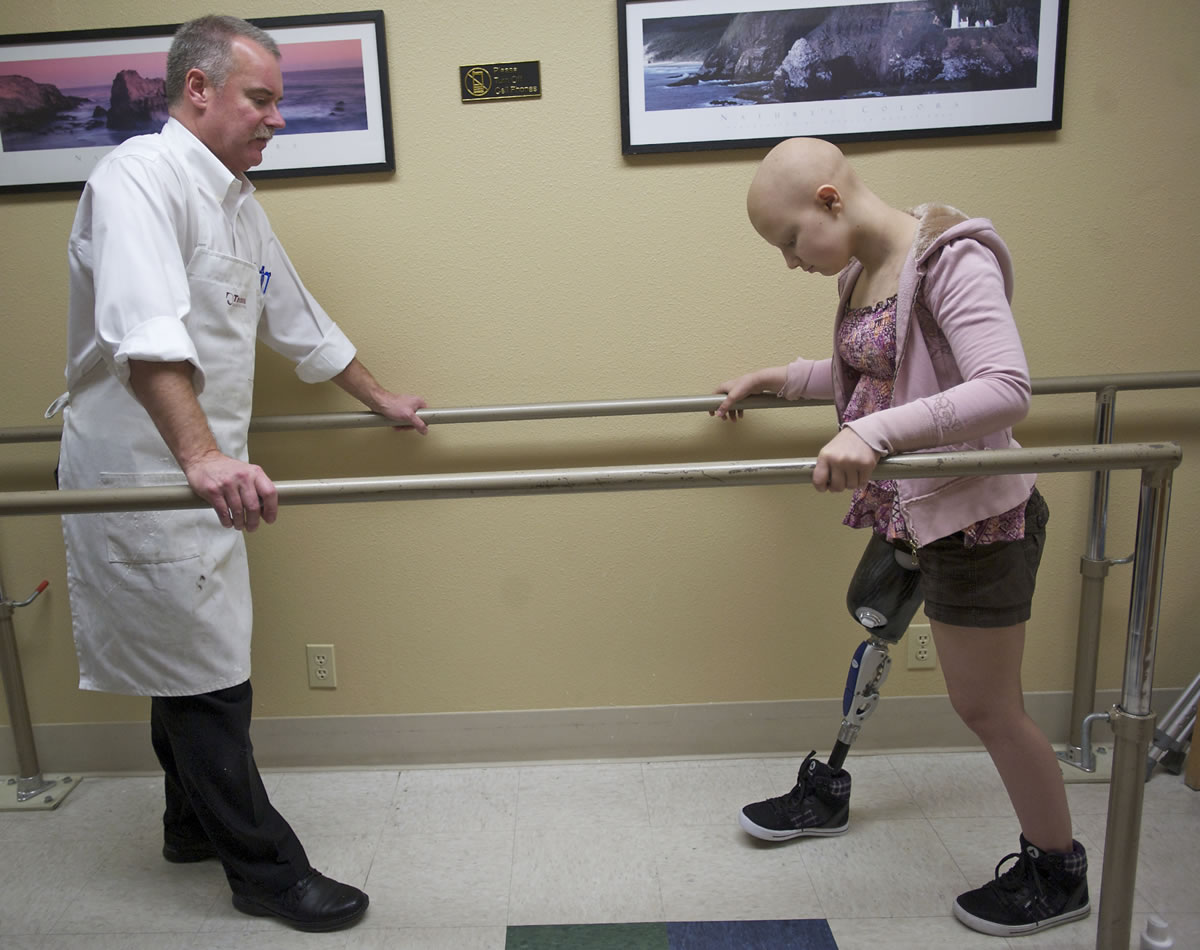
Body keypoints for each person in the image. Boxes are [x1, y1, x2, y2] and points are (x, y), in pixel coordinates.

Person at [53, 14, 427, 932]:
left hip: (200, 474)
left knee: (181, 660)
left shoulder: (235, 203)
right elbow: (143, 334)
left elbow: (298, 320)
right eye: (262, 98)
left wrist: (379, 399)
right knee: (206, 674)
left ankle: (189, 824)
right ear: (198, 91)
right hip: (150, 470)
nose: (277, 118)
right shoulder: (138, 178)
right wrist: (202, 455)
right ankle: (264, 872)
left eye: (279, 101)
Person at [712, 137, 1089, 938]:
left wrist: (875, 436)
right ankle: (829, 792)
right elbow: (870, 372)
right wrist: (774, 376)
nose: (789, 262)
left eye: (788, 240)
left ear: (828, 200)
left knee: (988, 709)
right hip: (914, 508)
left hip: (980, 520)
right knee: (877, 635)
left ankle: (1058, 871)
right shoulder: (861, 272)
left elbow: (1005, 388)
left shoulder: (953, 259)